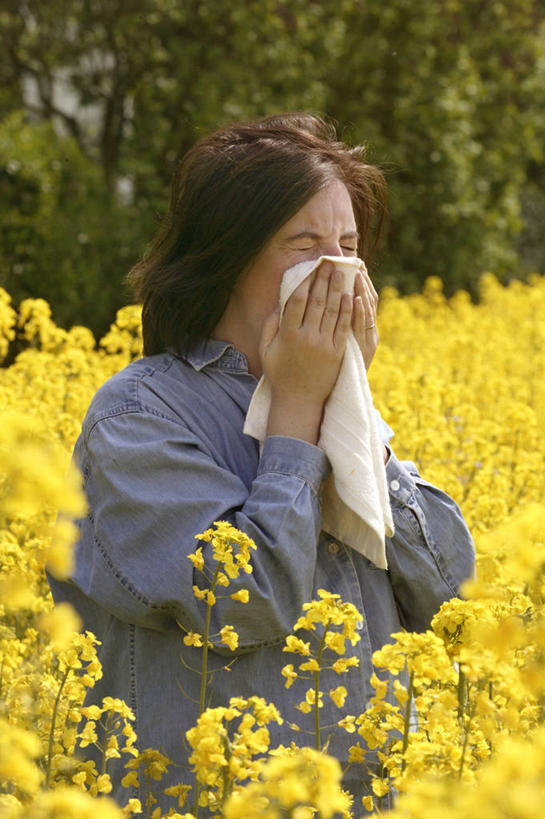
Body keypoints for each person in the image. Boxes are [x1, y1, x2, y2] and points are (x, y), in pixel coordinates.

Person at [49, 113, 475, 813]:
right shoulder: (138, 417)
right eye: (304, 244)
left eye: (348, 245)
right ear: (229, 257)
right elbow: (245, 604)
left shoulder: (332, 401)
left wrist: (350, 412)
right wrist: (297, 420)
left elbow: (452, 596)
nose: (335, 269)